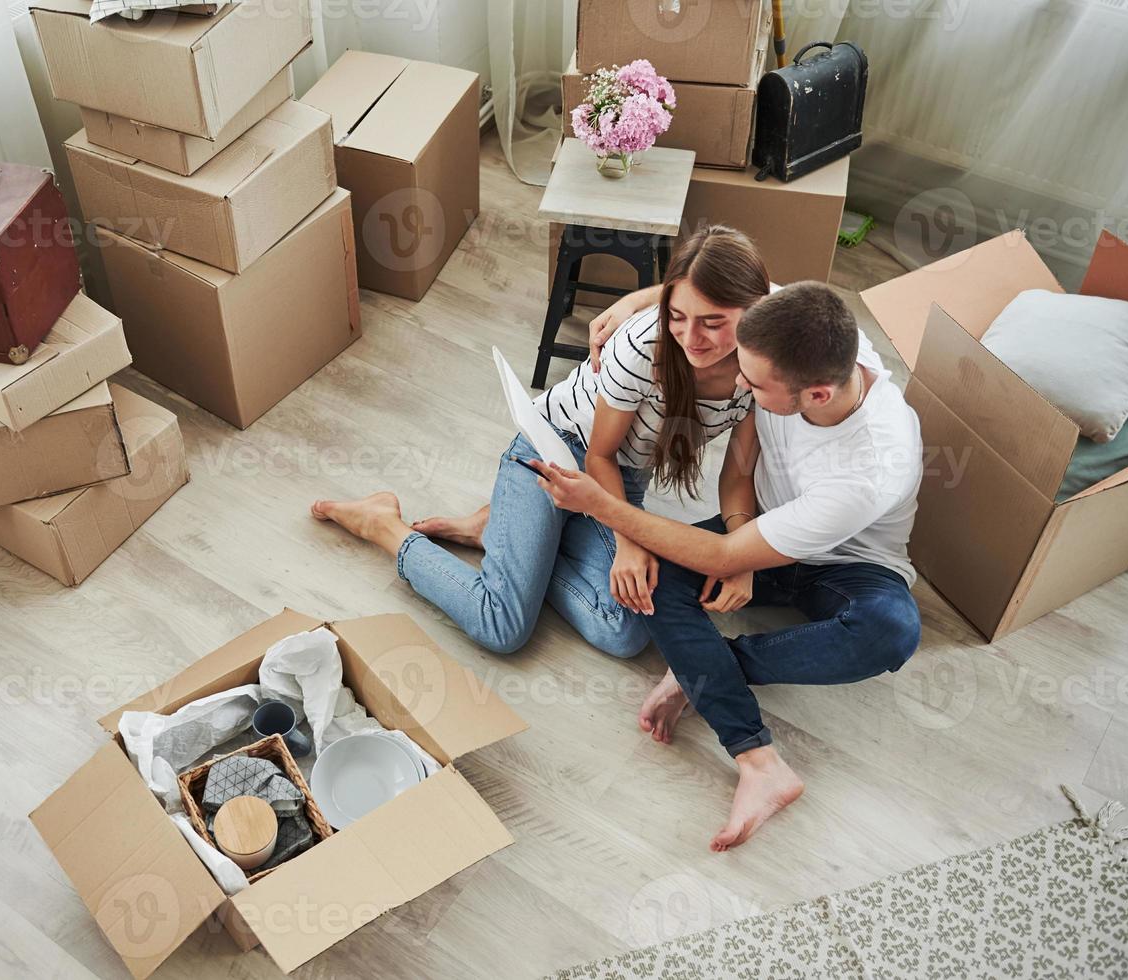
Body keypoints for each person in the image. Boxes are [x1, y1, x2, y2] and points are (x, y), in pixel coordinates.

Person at [530, 281, 924, 851]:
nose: (737, 383)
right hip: (760, 527)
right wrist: (633, 303)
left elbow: (719, 558)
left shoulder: (869, 468)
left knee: (891, 631)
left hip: (849, 564)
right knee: (652, 583)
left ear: (815, 395)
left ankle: (706, 680)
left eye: (755, 384)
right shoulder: (811, 328)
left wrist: (602, 506)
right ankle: (756, 756)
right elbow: (718, 283)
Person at [310, 226, 770, 657]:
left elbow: (740, 472)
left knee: (625, 629)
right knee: (502, 625)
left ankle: (501, 531)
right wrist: (628, 541)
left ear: (755, 312)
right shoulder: (643, 346)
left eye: (712, 323)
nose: (691, 338)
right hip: (556, 453)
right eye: (677, 316)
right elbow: (599, 454)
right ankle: (383, 525)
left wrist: (741, 552)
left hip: (618, 481)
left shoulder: (766, 365)